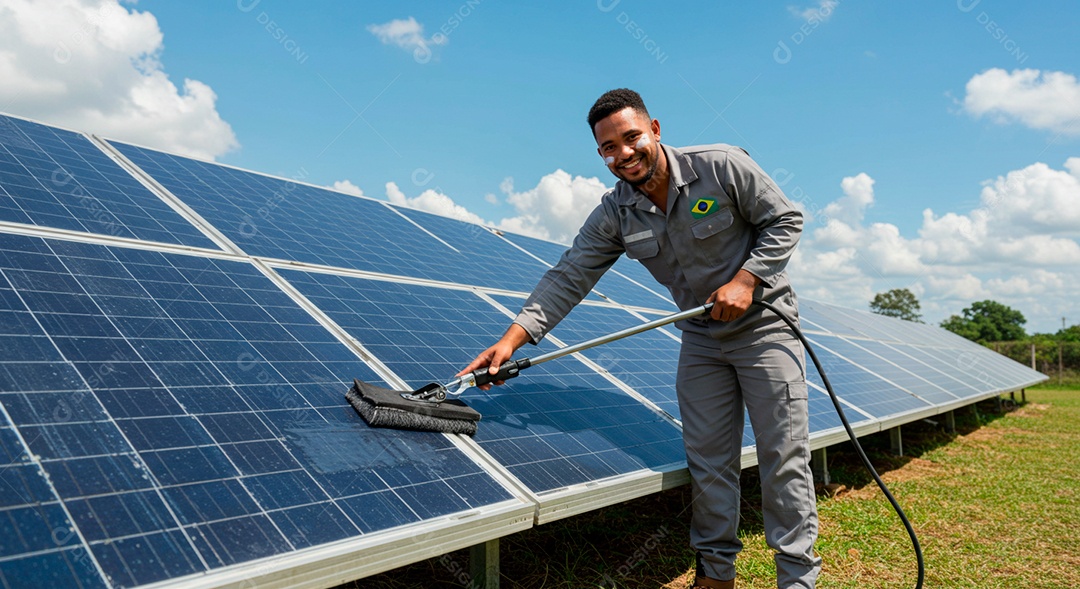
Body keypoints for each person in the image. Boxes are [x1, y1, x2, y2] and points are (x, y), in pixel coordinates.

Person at [459, 88, 820, 589]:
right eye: (609, 147)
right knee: (710, 464)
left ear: (655, 130)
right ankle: (716, 575)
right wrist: (513, 339)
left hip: (765, 328)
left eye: (631, 138)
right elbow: (570, 275)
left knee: (782, 458)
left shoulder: (721, 166)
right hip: (701, 338)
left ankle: (797, 578)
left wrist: (747, 280)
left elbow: (786, 218)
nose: (623, 153)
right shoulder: (615, 213)